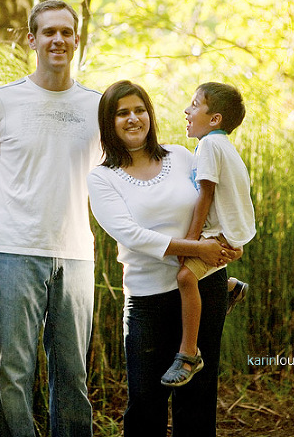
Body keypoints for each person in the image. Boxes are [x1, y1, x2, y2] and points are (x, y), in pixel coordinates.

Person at [0, 0, 101, 437]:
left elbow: (118, 181)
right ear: (31, 38)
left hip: (76, 255)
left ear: (77, 39)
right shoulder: (1, 101)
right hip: (12, 252)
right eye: (48, 32)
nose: (58, 39)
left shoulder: (98, 106)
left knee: (73, 375)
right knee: (12, 373)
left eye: (66, 32)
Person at [87, 80, 239, 437]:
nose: (133, 118)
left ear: (150, 115)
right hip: (147, 299)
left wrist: (228, 241)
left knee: (198, 401)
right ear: (109, 123)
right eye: (122, 113)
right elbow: (131, 236)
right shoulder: (102, 178)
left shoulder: (181, 156)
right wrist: (196, 248)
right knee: (145, 402)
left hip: (205, 286)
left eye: (139, 110)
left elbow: (215, 201)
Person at [161, 82, 256, 387]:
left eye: (194, 104)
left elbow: (206, 195)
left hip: (217, 236)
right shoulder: (224, 146)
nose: (186, 111)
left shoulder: (209, 146)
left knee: (186, 277)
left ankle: (189, 354)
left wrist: (190, 243)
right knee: (196, 277)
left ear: (214, 118)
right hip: (226, 234)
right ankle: (229, 286)